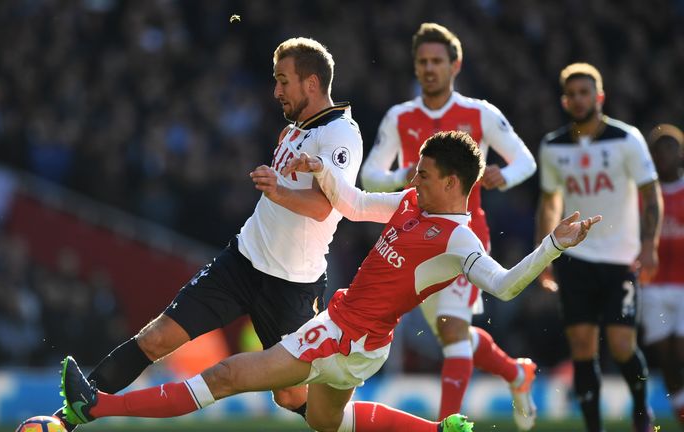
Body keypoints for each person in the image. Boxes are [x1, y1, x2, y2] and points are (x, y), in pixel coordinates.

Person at [59, 131, 600, 432]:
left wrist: (554, 244)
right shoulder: (414, 202)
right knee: (326, 425)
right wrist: (322, 172)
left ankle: (98, 407)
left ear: (454, 183)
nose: (415, 178)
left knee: (224, 375)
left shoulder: (458, 240)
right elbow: (357, 203)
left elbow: (504, 285)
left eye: (426, 174)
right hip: (359, 339)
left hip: (345, 335)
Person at [51, 37, 364, 429]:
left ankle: (365, 424)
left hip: (291, 285)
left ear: (312, 83)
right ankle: (70, 416)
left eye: (284, 81)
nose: (276, 91)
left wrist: (278, 189)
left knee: (291, 396)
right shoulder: (293, 131)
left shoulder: (341, 136)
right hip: (242, 261)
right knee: (157, 337)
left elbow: (324, 207)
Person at [360, 22, 538, 429]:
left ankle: (448, 424)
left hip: (464, 235)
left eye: (437, 61)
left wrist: (502, 176)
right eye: (422, 61)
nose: (429, 68)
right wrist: (404, 174)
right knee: (450, 334)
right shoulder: (400, 117)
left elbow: (525, 160)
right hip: (414, 240)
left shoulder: (480, 114)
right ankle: (515, 372)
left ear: (455, 65)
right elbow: (371, 175)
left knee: (455, 330)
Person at [535, 62, 663, 432]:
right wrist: (544, 254)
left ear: (599, 96)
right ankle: (594, 427)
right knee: (581, 345)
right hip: (576, 257)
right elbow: (548, 202)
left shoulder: (627, 139)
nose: (578, 100)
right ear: (564, 100)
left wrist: (649, 244)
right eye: (571, 94)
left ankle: (641, 410)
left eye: (584, 93)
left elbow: (649, 193)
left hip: (620, 258)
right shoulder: (553, 146)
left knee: (623, 345)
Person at [640, 124, 684, 428]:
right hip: (652, 286)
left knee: (681, 351)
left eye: (670, 148)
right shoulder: (644, 195)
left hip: (683, 285)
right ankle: (681, 411)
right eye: (659, 150)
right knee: (666, 359)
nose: (664, 155)